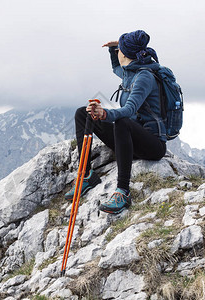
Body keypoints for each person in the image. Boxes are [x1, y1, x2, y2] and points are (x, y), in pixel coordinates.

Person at [64, 29, 167, 214]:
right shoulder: (131, 71)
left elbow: (129, 110)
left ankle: (123, 192)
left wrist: (104, 114)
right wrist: (113, 49)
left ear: (126, 54)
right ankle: (86, 175)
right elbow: (116, 69)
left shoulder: (144, 77)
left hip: (152, 144)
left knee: (122, 121)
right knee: (83, 114)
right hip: (129, 141)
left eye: (121, 49)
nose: (119, 52)